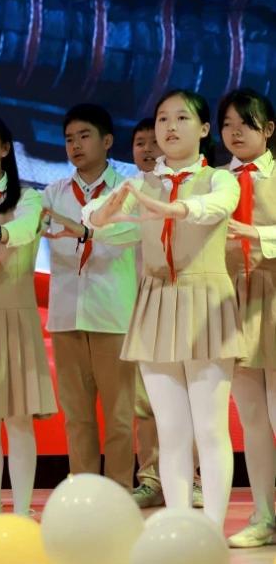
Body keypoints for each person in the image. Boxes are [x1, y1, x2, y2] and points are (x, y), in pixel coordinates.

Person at [85, 89, 242, 528]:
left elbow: (212, 209)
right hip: (155, 302)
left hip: (205, 300)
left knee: (209, 429)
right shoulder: (140, 184)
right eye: (162, 119)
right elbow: (93, 216)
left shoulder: (221, 179)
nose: (170, 127)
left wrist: (169, 206)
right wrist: (102, 213)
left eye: (182, 118)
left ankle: (211, 529)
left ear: (204, 129)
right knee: (171, 430)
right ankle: (179, 526)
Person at [0, 113, 56, 518]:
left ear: (4, 149)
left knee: (18, 420)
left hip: (14, 318)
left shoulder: (28, 199)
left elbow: (23, 230)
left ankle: (20, 511)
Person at [40, 104, 137, 489]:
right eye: (69, 139)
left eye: (84, 136)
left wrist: (87, 231)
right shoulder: (53, 193)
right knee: (77, 417)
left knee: (119, 417)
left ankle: (119, 492)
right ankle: (83, 493)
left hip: (113, 315)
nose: (75, 145)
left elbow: (133, 234)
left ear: (107, 140)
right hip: (66, 317)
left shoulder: (128, 191)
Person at [214, 89, 276, 547]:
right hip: (232, 301)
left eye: (246, 124)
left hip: (273, 296)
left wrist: (255, 233)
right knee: (251, 416)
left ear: (268, 130)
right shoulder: (216, 181)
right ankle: (263, 515)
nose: (235, 133)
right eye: (227, 125)